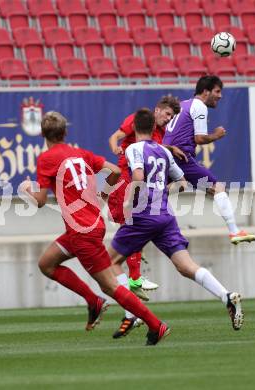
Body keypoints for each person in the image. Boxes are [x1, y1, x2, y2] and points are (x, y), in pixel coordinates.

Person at [21, 111, 169, 346]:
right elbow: (116, 171)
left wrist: (26, 188)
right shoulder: (80, 153)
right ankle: (93, 301)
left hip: (82, 232)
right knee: (46, 264)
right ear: (66, 132)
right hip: (87, 226)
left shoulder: (47, 159)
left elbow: (39, 201)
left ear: (42, 134)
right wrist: (102, 193)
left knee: (110, 286)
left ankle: (156, 325)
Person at [108, 108, 244, 340]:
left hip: (143, 214)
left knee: (109, 261)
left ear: (133, 128)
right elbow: (182, 182)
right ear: (153, 128)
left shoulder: (133, 148)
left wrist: (130, 204)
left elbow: (138, 177)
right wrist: (162, 191)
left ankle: (132, 314)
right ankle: (226, 296)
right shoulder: (163, 151)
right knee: (185, 266)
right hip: (165, 215)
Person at [108, 95, 187, 337]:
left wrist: (171, 149)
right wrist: (116, 148)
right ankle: (134, 280)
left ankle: (133, 292)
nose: (168, 120)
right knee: (129, 225)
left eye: (172, 118)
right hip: (128, 178)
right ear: (156, 112)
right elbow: (115, 138)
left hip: (142, 189)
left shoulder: (159, 137)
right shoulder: (137, 122)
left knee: (130, 231)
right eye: (166, 115)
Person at [163, 75, 255, 245]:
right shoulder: (199, 106)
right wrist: (217, 135)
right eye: (217, 91)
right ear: (206, 92)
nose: (220, 96)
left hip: (167, 156)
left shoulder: (184, 104)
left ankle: (135, 241)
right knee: (218, 188)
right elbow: (199, 139)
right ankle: (234, 232)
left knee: (156, 194)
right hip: (181, 157)